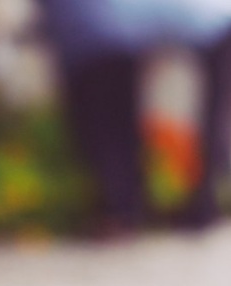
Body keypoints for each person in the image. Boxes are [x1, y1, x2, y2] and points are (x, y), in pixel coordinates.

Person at [39, 0, 231, 232]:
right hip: (213, 15)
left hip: (103, 29)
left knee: (102, 91)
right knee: (218, 106)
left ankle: (121, 208)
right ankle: (205, 204)